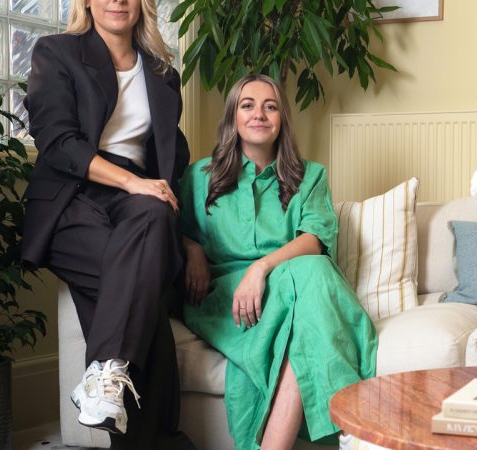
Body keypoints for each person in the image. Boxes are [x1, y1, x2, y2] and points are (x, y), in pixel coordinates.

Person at [20, 0, 193, 447]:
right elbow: (58, 143)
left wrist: (187, 238)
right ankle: (163, 441)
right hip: (71, 196)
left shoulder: (162, 74)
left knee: (154, 216)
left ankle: (104, 380)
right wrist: (133, 182)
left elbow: (171, 161)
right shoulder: (57, 52)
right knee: (142, 294)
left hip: (136, 205)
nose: (118, 0)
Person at [179, 74, 378, 450]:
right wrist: (193, 249)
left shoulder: (311, 176)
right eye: (247, 105)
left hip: (291, 288)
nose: (259, 114)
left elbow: (315, 239)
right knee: (313, 279)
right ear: (233, 117)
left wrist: (261, 268)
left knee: (311, 279)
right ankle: (354, 428)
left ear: (282, 118)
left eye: (270, 106)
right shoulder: (199, 177)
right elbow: (174, 229)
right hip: (227, 299)